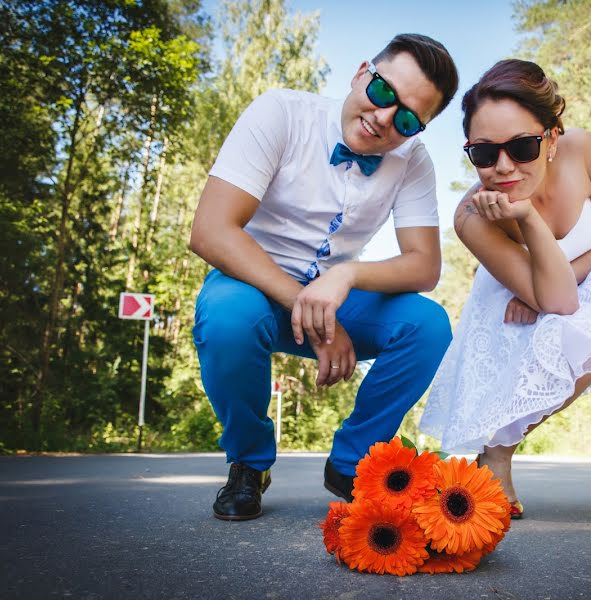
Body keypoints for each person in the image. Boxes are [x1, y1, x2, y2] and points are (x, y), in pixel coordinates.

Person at [190, 34, 459, 521]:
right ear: (361, 72)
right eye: (382, 93)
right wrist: (306, 308)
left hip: (335, 298)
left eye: (405, 119)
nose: (383, 118)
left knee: (428, 325)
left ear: (419, 130)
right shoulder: (282, 113)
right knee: (227, 318)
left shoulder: (413, 163)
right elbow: (210, 231)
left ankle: (353, 462)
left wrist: (348, 275)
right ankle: (249, 463)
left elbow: (425, 266)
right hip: (252, 284)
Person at [420, 59, 591, 529]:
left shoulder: (581, 148)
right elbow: (561, 304)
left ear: (551, 136)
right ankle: (498, 453)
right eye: (484, 154)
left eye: (522, 147)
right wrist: (525, 219)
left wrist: (555, 279)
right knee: (584, 327)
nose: (503, 167)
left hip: (585, 277)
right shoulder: (471, 216)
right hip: (516, 307)